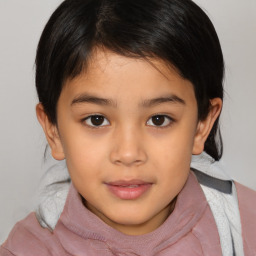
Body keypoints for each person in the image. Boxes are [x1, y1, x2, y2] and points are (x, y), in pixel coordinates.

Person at [1, 0, 255, 255]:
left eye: (159, 119)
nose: (128, 153)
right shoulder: (26, 248)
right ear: (53, 130)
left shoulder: (246, 225)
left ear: (202, 125)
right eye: (96, 120)